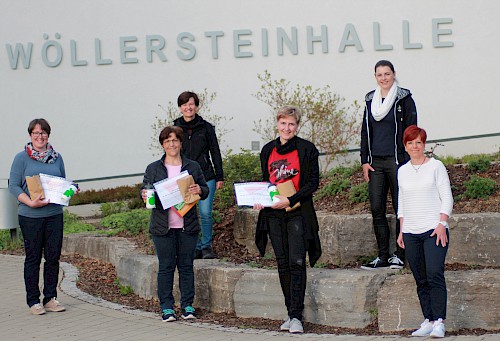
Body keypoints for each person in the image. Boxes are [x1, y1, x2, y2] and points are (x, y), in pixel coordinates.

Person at [254, 105, 322, 334]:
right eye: (283, 123)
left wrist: (291, 199)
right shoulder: (267, 150)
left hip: (297, 213)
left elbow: (313, 183)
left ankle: (297, 316)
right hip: (273, 214)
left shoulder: (307, 149)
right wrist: (260, 199)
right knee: (282, 263)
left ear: (297, 126)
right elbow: (266, 182)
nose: (287, 128)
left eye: (291, 124)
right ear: (277, 124)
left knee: (296, 262)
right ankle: (289, 312)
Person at [141, 126, 209, 322]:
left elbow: (204, 189)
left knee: (186, 266)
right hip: (163, 227)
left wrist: (199, 189)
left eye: (175, 140)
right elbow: (144, 190)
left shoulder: (192, 166)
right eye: (167, 140)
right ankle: (167, 307)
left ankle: (187, 305)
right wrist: (144, 194)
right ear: (162, 144)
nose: (171, 144)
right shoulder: (153, 168)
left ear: (180, 143)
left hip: (187, 225)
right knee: (166, 267)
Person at [360, 60, 418, 270]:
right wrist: (364, 160)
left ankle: (400, 255)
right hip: (376, 162)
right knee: (377, 208)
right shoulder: (370, 100)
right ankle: (382, 255)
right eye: (379, 75)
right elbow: (365, 132)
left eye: (387, 74)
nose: (384, 78)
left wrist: (410, 160)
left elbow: (412, 132)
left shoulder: (404, 99)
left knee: (400, 208)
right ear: (375, 77)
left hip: (397, 162)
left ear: (394, 74)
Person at [9, 118, 70, 315]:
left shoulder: (57, 157)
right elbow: (14, 186)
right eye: (36, 133)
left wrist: (69, 191)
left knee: (53, 258)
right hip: (30, 216)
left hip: (54, 215)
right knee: (33, 258)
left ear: (48, 135)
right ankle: (33, 300)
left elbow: (61, 182)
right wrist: (30, 202)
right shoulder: (21, 158)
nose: (40, 136)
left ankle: (50, 298)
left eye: (43, 133)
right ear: (30, 136)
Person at [397, 125, 453, 338]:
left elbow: (447, 197)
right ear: (406, 146)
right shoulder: (402, 171)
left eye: (418, 142)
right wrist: (402, 231)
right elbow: (402, 202)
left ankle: (439, 321)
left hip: (433, 230)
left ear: (424, 144)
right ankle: (428, 320)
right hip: (411, 232)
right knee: (420, 277)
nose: (415, 147)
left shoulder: (436, 167)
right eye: (410, 143)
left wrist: (442, 223)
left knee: (434, 274)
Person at [173, 91, 224, 259]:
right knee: (188, 213)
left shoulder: (206, 127)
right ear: (180, 107)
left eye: (191, 104)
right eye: (185, 104)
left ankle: (206, 246)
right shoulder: (175, 128)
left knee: (205, 213)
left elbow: (215, 152)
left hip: (205, 176)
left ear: (196, 106)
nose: (189, 107)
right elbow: (171, 153)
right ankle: (193, 247)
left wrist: (219, 176)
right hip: (183, 178)